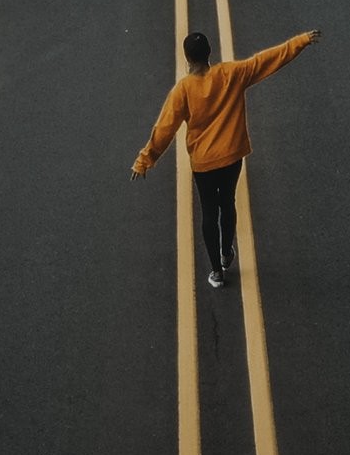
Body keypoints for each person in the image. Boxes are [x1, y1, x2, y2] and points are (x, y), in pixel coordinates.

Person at [132, 27, 320, 288]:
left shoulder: (183, 90)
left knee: (209, 211)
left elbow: (165, 129)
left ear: (187, 58)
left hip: (204, 164)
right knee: (227, 202)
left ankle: (217, 271)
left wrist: (145, 160)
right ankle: (226, 250)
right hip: (232, 156)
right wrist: (300, 41)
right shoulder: (232, 73)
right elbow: (267, 60)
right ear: (210, 53)